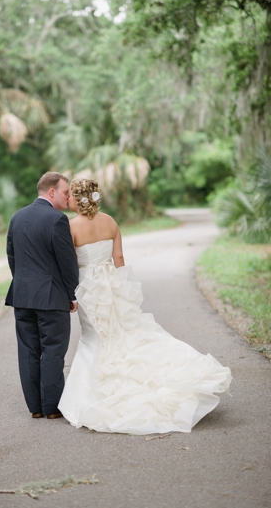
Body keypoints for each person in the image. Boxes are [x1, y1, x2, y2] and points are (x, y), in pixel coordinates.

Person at [58, 179, 232, 434]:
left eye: (70, 195)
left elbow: (70, 263)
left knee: (94, 336)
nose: (67, 200)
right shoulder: (111, 222)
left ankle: (94, 391)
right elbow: (118, 259)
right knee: (125, 332)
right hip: (113, 285)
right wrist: (118, 287)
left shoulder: (71, 226)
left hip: (90, 289)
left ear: (77, 199)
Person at [5, 171, 80, 419]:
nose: (68, 196)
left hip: (22, 295)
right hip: (51, 297)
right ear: (51, 192)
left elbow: (12, 257)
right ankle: (52, 408)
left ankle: (35, 408)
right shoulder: (58, 220)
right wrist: (72, 294)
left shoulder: (16, 217)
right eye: (65, 192)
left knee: (28, 351)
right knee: (53, 350)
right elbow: (67, 262)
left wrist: (24, 282)